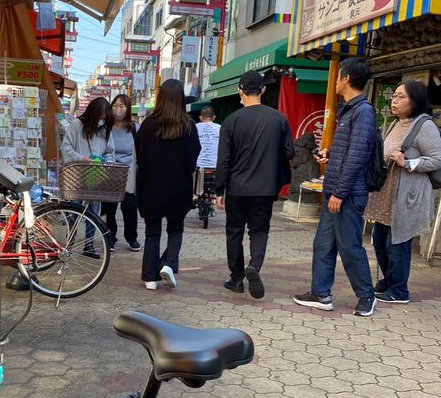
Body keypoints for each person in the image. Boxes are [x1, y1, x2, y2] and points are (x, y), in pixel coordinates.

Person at [292, 58, 378, 317]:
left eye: (338, 77)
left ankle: (366, 296)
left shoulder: (363, 111)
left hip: (348, 193)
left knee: (349, 246)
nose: (336, 82)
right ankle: (321, 293)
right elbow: (349, 150)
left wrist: (339, 193)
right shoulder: (350, 110)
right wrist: (331, 151)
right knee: (323, 244)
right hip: (337, 189)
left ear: (346, 79)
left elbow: (358, 156)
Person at [214, 71, 294, 299]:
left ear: (240, 91)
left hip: (237, 188)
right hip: (266, 187)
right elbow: (290, 151)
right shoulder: (278, 118)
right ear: (263, 90)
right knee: (259, 230)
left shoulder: (231, 121)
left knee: (234, 232)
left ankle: (236, 279)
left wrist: (220, 189)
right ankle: (255, 266)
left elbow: (224, 160)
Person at [364, 79, 441, 303]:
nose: (394, 100)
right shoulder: (396, 123)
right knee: (379, 240)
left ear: (415, 100)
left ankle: (399, 290)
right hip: (386, 194)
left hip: (406, 196)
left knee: (397, 243)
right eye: (394, 95)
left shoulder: (424, 125)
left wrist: (408, 163)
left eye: (401, 96)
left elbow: (437, 159)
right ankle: (389, 280)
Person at [135, 79, 201, 290]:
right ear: (181, 98)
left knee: (152, 232)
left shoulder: (147, 125)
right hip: (178, 187)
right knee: (176, 228)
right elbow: (193, 160)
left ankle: (149, 277)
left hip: (151, 187)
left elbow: (141, 158)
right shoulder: (188, 126)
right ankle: (169, 264)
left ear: (160, 97)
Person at [61, 97, 114, 259]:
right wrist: (80, 158)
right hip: (76, 175)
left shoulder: (105, 129)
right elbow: (66, 146)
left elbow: (110, 151)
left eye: (104, 119)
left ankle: (88, 245)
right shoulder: (77, 125)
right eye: (99, 118)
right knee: (74, 210)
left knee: (93, 211)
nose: (101, 121)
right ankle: (70, 243)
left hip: (96, 175)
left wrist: (108, 163)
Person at [101, 94, 141, 252]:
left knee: (130, 207)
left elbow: (141, 151)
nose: (118, 109)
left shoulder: (135, 128)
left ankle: (132, 237)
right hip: (109, 172)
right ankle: (110, 237)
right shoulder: (105, 127)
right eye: (115, 105)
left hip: (128, 174)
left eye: (122, 106)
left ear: (128, 108)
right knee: (109, 209)